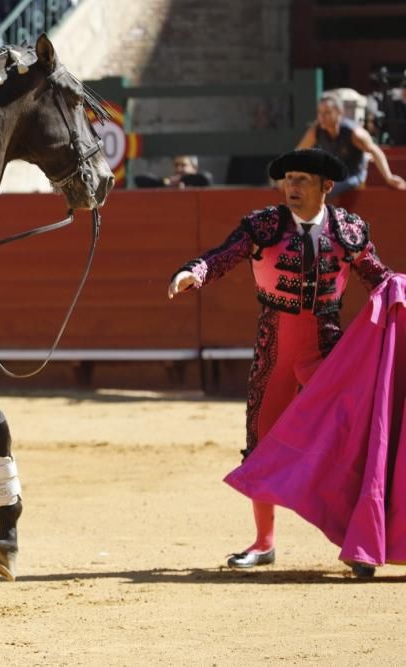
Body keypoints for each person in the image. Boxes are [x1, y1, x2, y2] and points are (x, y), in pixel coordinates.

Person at [167, 148, 395, 573]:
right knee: (263, 440)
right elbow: (224, 255)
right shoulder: (264, 225)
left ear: (326, 186)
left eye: (302, 179)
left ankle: (357, 542)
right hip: (274, 345)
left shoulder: (349, 229)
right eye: (288, 178)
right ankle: (263, 541)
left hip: (328, 350)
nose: (292, 186)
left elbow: (377, 277)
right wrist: (194, 273)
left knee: (347, 443)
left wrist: (399, 289)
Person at [297, 92, 406, 196]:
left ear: (339, 113)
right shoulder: (317, 130)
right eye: (320, 113)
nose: (322, 117)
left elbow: (375, 150)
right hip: (334, 175)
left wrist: (389, 177)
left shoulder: (354, 133)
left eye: (327, 112)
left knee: (322, 188)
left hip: (354, 176)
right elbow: (299, 152)